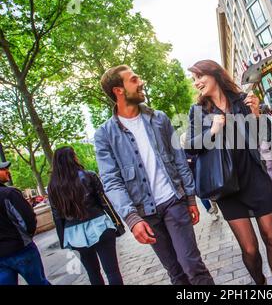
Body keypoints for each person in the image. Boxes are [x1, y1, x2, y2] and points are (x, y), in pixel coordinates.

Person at [95, 65, 214, 285]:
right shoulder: (104, 135)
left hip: (174, 202)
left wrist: (190, 198)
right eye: (133, 79)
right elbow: (111, 181)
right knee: (176, 273)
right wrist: (131, 218)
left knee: (191, 265)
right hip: (145, 213)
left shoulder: (159, 119)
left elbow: (179, 159)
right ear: (118, 90)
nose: (141, 82)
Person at [187, 60, 272, 285]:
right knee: (250, 249)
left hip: (254, 177)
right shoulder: (199, 111)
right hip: (226, 186)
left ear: (214, 74)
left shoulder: (242, 101)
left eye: (199, 77)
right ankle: (260, 283)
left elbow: (265, 139)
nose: (196, 83)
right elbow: (191, 146)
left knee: (271, 237)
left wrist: (257, 115)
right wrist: (212, 130)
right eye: (194, 79)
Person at [47, 147, 124, 285]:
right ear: (73, 158)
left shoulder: (53, 186)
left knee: (93, 273)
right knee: (112, 271)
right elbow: (104, 202)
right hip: (100, 224)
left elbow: (57, 216)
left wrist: (63, 239)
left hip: (74, 233)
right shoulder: (89, 175)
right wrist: (117, 223)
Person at [0, 161, 50, 285]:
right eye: (3, 169)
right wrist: (26, 237)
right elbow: (28, 220)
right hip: (21, 249)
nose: (8, 171)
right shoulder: (9, 194)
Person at [180, 133, 220, 222]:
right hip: (194, 178)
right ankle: (211, 212)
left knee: (212, 192)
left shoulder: (196, 146)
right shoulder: (182, 154)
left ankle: (214, 203)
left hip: (205, 174)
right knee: (202, 196)